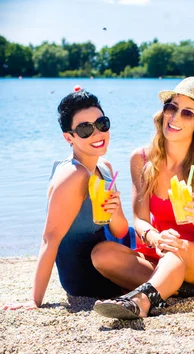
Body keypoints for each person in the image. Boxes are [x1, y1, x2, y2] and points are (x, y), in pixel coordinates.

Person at [93, 77, 194, 319]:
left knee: (175, 250)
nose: (175, 117)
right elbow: (139, 219)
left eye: (187, 113)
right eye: (171, 107)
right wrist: (155, 237)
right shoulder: (140, 159)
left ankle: (140, 301)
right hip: (162, 251)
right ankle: (190, 291)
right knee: (102, 254)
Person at [3, 90, 131, 311]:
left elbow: (119, 231)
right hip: (86, 274)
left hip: (110, 257)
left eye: (102, 123)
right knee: (154, 264)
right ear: (69, 137)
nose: (97, 133)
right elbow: (49, 239)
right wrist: (35, 300)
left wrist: (116, 211)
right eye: (85, 129)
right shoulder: (73, 175)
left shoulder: (105, 168)